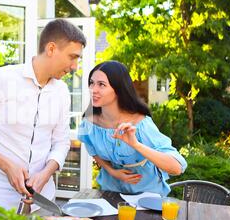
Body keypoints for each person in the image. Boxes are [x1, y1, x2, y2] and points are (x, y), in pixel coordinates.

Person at [0, 19, 86, 213]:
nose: (75, 66)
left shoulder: (62, 92)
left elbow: (61, 142)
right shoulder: (1, 80)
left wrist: (46, 173)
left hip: (42, 201)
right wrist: (7, 166)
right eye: (72, 57)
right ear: (51, 49)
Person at [78, 61, 187, 196]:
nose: (93, 89)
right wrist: (112, 172)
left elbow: (176, 168)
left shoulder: (141, 124)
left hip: (147, 195)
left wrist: (135, 144)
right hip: (110, 192)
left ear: (119, 89)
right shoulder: (90, 123)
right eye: (91, 83)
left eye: (101, 84)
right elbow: (92, 149)